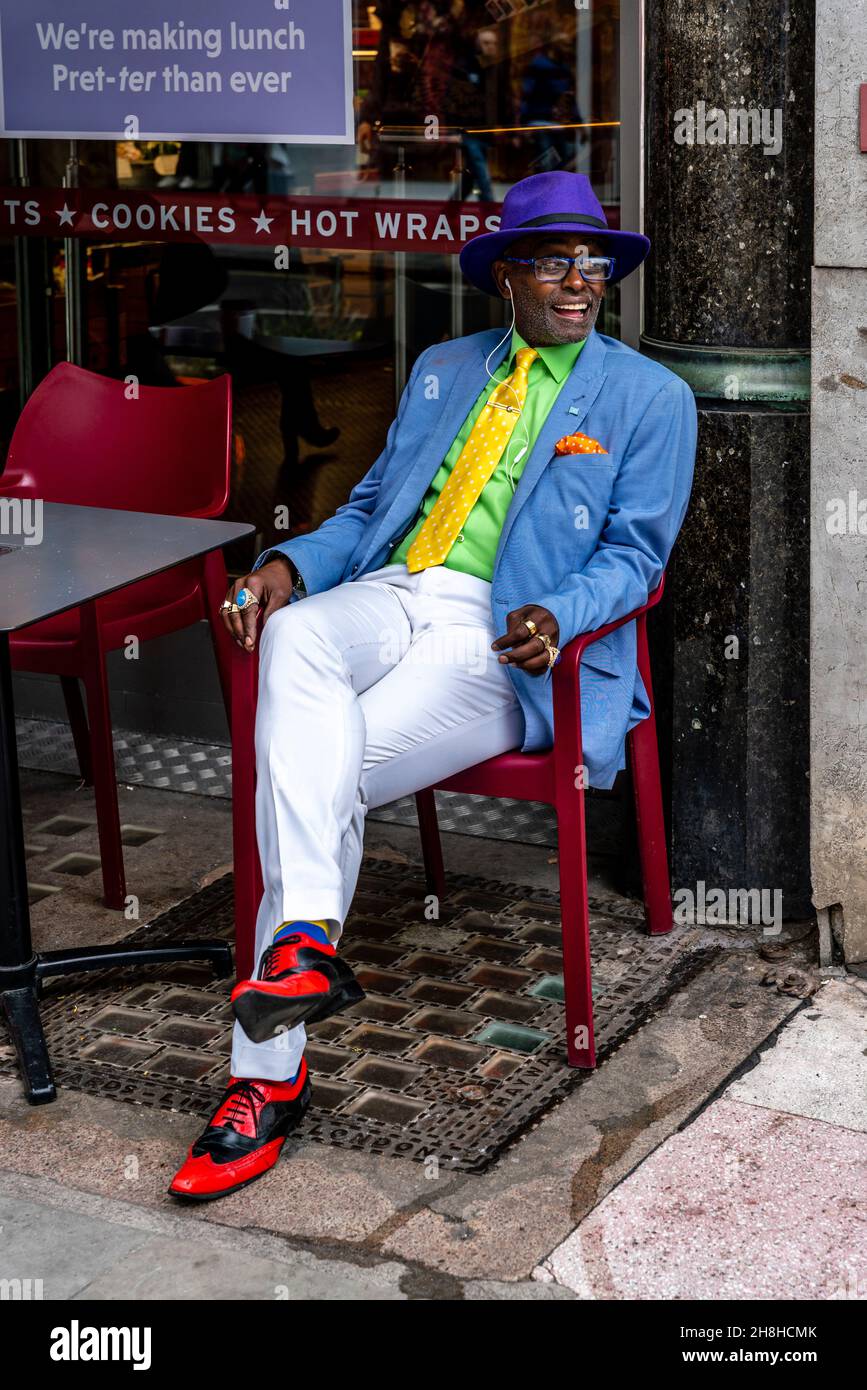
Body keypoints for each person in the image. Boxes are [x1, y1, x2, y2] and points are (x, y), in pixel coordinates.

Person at [168, 170, 697, 1201]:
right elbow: (371, 510)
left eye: (592, 264)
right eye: (553, 261)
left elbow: (638, 558)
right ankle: (309, 942)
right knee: (299, 637)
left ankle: (264, 1079)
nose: (579, 282)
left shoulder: (649, 398)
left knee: (308, 769)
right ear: (508, 275)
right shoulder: (446, 368)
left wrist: (561, 615)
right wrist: (287, 568)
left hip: (504, 633)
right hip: (395, 588)